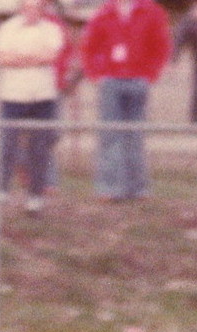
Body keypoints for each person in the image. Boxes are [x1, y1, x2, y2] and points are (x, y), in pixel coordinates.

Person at [80, 0, 172, 201]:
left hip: (138, 80)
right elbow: (89, 47)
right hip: (110, 81)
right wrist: (97, 75)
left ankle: (137, 189)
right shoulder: (103, 12)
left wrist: (150, 74)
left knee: (135, 134)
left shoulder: (151, 11)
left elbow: (161, 46)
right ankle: (109, 187)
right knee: (110, 135)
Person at [0, 0, 65, 214]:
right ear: (21, 8)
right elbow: (2, 58)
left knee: (39, 149)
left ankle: (35, 197)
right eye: (28, 6)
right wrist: (34, 58)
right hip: (13, 97)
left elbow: (50, 56)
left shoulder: (52, 29)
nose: (32, 11)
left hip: (43, 98)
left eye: (37, 7)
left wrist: (19, 58)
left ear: (42, 8)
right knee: (8, 146)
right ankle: (1, 191)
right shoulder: (6, 29)